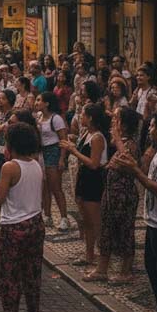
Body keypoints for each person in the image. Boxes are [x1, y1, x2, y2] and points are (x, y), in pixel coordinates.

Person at [0, 122, 44, 312]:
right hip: (35, 223)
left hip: (14, 226)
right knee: (31, 274)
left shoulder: (10, 167)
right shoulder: (37, 164)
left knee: (9, 275)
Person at [116, 111, 157, 312]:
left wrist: (134, 170)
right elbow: (148, 175)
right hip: (153, 220)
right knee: (152, 268)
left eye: (153, 126)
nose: (149, 129)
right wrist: (135, 165)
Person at [88, 107, 140, 283]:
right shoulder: (118, 143)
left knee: (125, 231)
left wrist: (117, 138)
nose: (113, 121)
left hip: (124, 194)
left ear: (124, 124)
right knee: (107, 230)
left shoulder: (130, 143)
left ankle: (125, 272)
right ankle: (102, 269)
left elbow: (127, 159)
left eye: (116, 118)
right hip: (110, 192)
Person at [61, 102, 108, 267]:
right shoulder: (87, 133)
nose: (80, 116)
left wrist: (74, 151)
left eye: (83, 114)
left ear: (90, 118)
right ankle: (89, 254)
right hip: (84, 177)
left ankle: (102, 257)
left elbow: (94, 163)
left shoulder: (97, 138)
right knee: (86, 219)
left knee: (94, 220)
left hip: (93, 179)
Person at [35, 91, 72, 231]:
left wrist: (62, 159)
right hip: (42, 152)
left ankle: (64, 217)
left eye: (39, 100)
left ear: (47, 103)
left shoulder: (56, 119)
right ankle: (47, 215)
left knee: (56, 187)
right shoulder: (39, 117)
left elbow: (63, 139)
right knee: (44, 187)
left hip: (54, 151)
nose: (36, 102)